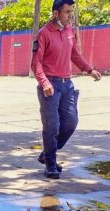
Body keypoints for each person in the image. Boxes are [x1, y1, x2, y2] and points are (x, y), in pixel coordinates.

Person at [31, 0, 101, 179]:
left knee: (71, 122)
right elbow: (36, 62)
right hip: (50, 86)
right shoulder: (43, 34)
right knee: (52, 126)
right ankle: (51, 164)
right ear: (56, 14)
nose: (70, 15)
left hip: (67, 84)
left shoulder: (69, 31)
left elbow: (74, 54)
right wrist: (44, 82)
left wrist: (89, 70)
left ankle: (47, 153)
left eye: (71, 11)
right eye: (67, 12)